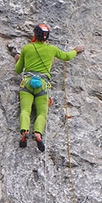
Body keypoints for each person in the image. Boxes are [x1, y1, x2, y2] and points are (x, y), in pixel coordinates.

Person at [15, 23, 84, 151]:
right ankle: (37, 133)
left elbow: (18, 70)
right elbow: (67, 56)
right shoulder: (52, 49)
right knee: (42, 113)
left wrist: (18, 59)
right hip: (42, 85)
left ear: (35, 34)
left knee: (25, 110)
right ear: (46, 37)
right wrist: (77, 49)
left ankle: (24, 131)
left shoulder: (27, 48)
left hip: (27, 83)